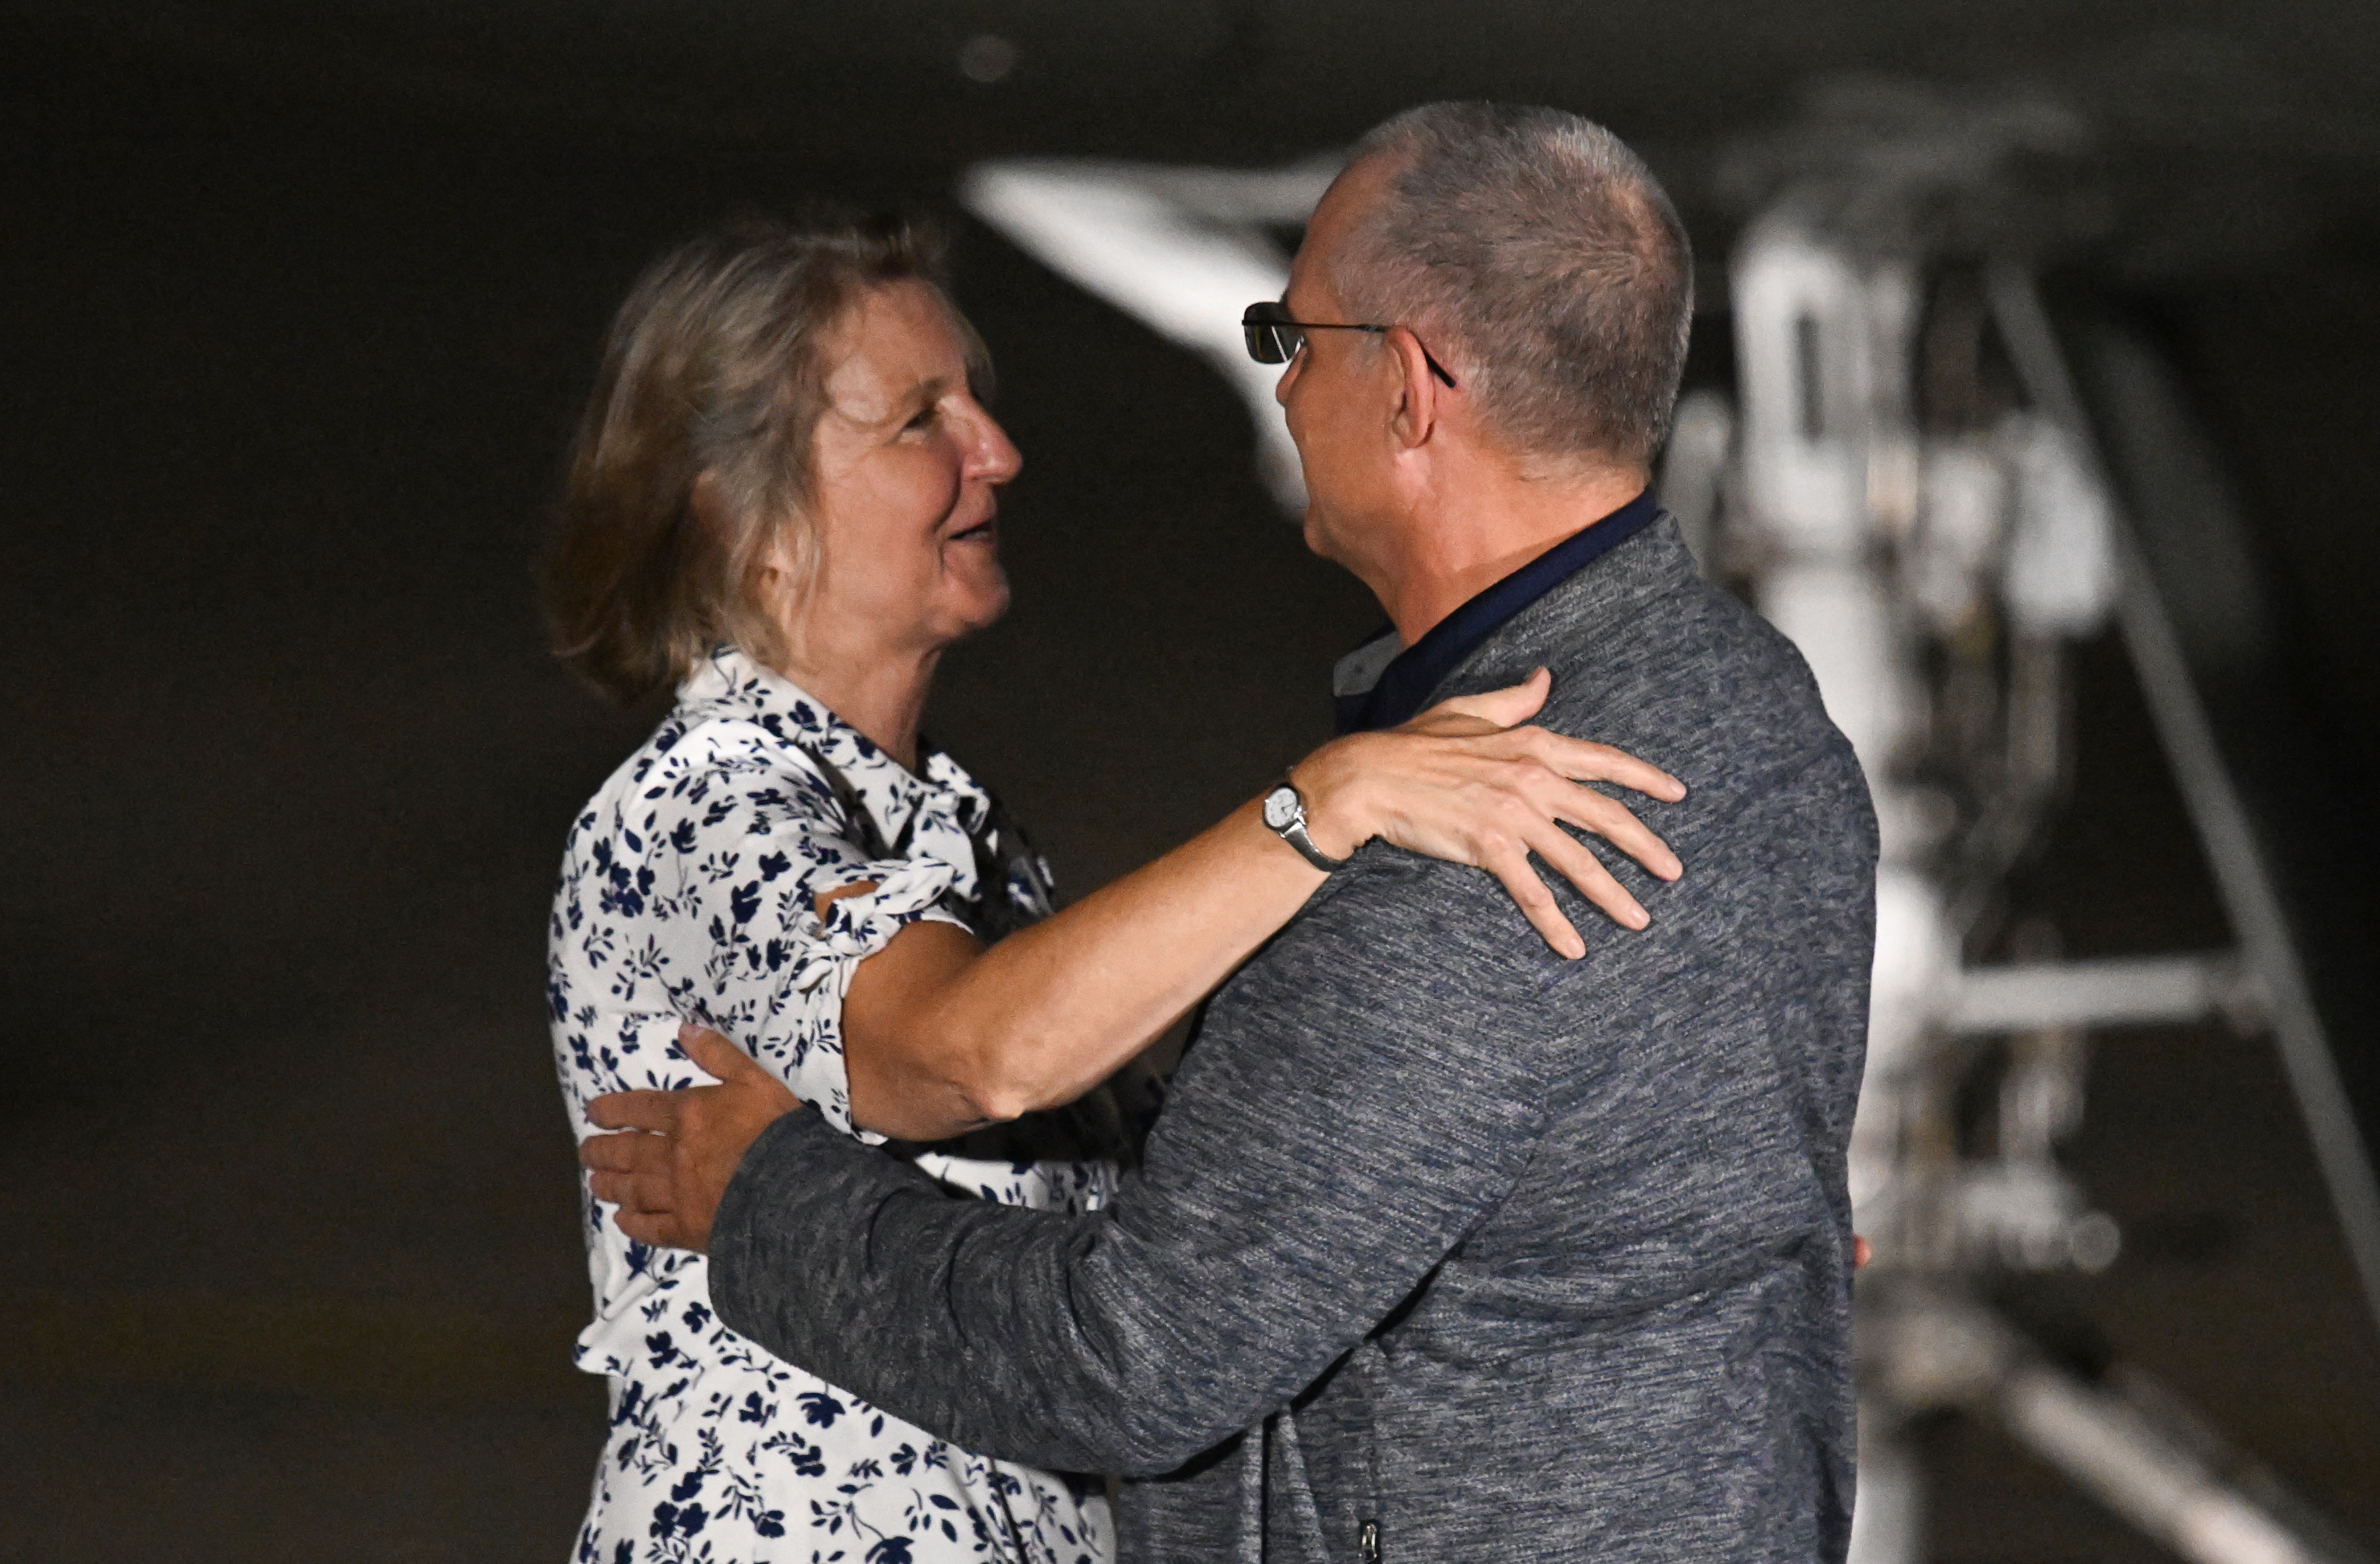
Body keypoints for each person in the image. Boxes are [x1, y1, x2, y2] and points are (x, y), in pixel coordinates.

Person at [584, 102, 1879, 1564]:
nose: (1277, 388)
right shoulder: (1767, 716)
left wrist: (765, 1208)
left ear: (1409, 387)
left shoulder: (1468, 851)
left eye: (1295, 341)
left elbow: (1129, 1356)